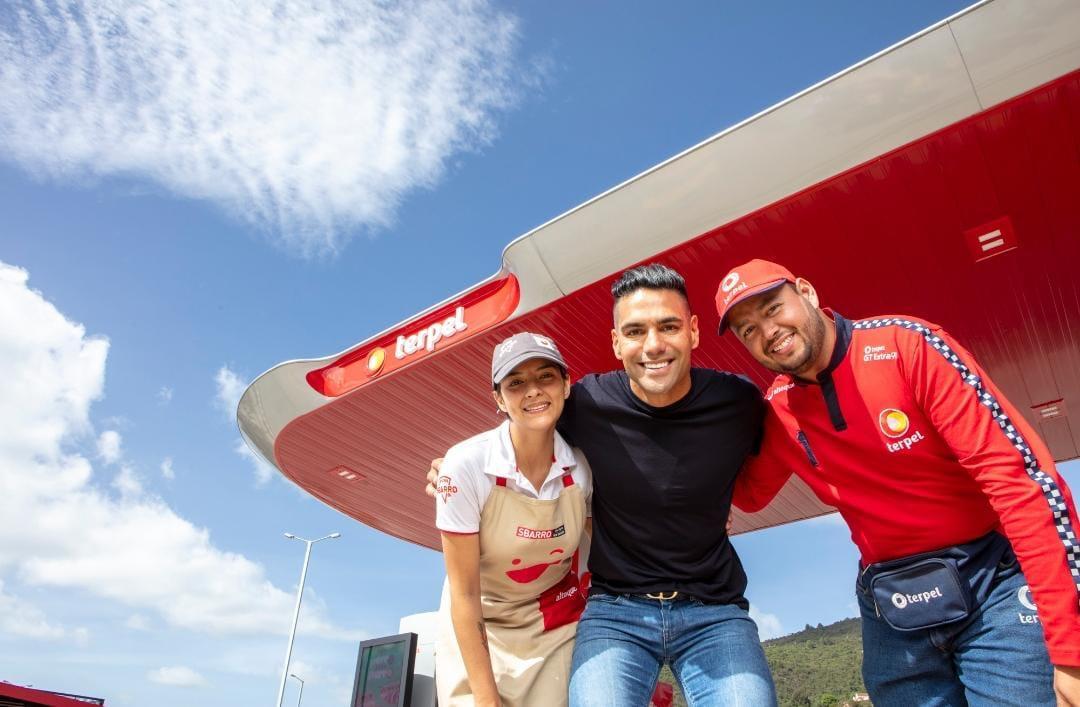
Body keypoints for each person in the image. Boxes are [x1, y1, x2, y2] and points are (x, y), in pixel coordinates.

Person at [717, 258, 1080, 706]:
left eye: (773, 308)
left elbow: (1020, 484)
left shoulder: (907, 345)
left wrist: (1071, 648)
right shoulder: (778, 409)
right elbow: (747, 495)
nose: (767, 331)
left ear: (806, 292)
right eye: (748, 330)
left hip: (991, 587)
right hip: (891, 605)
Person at [431, 264, 778, 706]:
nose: (653, 345)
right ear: (616, 343)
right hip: (616, 611)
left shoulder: (738, 403)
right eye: (634, 331)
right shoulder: (585, 405)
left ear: (693, 331)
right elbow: (524, 427)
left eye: (668, 326)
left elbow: (781, 451)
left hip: (715, 610)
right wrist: (450, 470)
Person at [435, 332, 592, 707]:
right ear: (499, 399)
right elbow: (464, 594)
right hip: (479, 621)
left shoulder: (582, 470)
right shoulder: (466, 466)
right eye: (516, 383)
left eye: (545, 376)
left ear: (566, 385)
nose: (533, 391)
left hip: (552, 620)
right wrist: (486, 699)